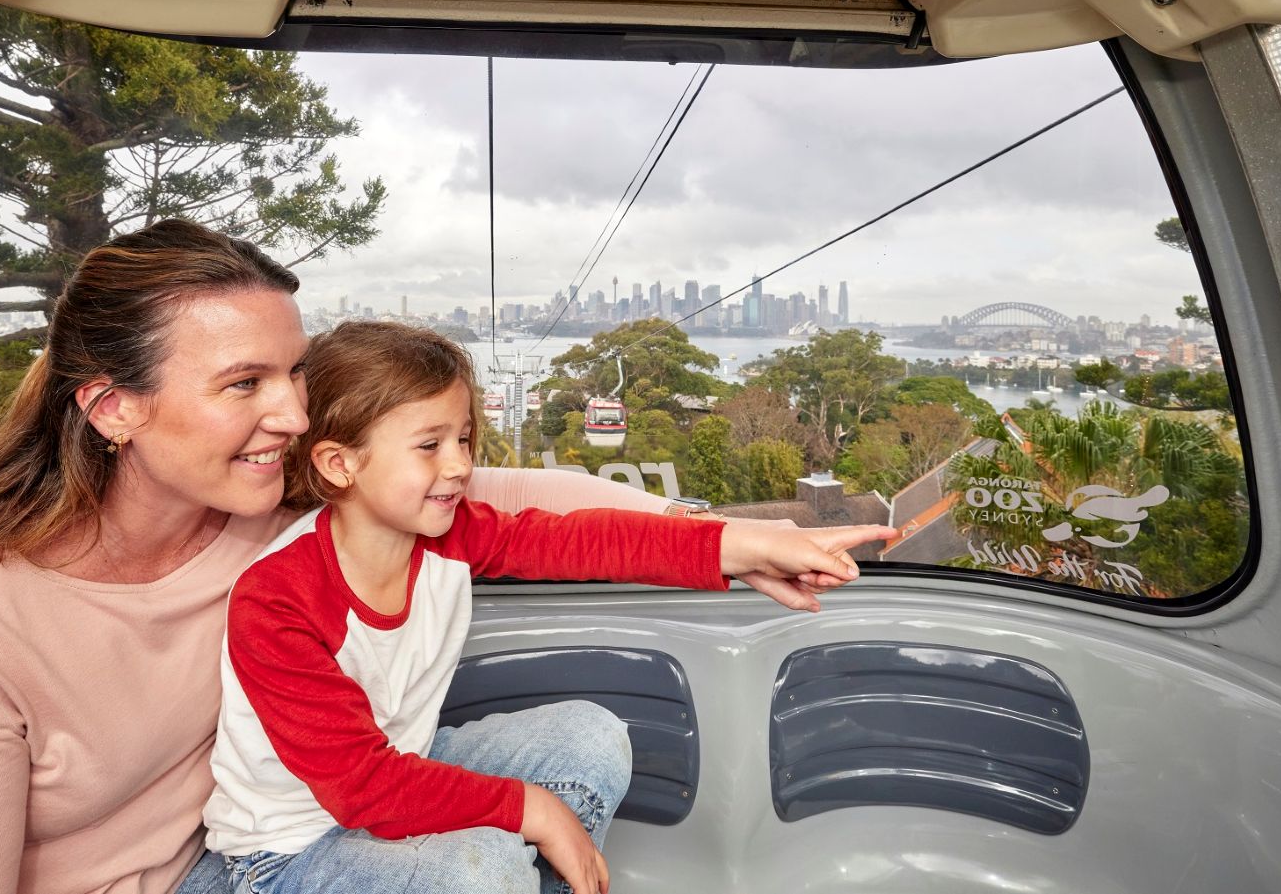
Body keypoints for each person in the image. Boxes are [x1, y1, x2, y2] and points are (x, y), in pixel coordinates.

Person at [0, 219, 894, 894]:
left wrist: (742, 541)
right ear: (112, 407)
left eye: (294, 376)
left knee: (580, 743)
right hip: (256, 858)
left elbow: (524, 509)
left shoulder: (269, 512)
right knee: (473, 854)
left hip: (255, 850)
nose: (287, 414)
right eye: (242, 385)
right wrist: (514, 815)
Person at [202, 323, 889, 894]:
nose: (459, 465)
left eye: (465, 438)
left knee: (592, 736)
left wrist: (752, 546)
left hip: (398, 768)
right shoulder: (278, 598)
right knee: (487, 869)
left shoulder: (445, 534)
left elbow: (585, 539)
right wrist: (535, 809)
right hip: (288, 852)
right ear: (339, 463)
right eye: (429, 444)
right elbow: (362, 786)